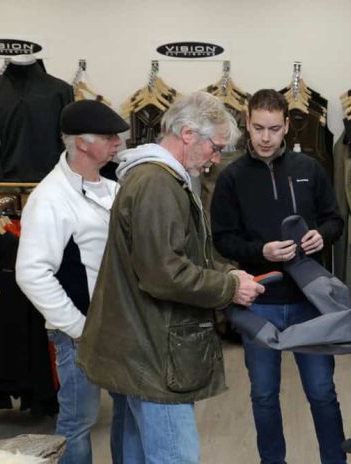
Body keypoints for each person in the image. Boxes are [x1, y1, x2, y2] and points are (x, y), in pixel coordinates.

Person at [76, 92, 265, 464]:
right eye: (216, 148)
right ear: (189, 134)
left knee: (137, 454)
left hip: (141, 348)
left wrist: (226, 272)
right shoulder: (157, 184)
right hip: (154, 355)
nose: (216, 160)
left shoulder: (157, 178)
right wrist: (229, 287)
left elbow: (174, 257)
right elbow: (163, 275)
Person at [211, 89, 347, 464]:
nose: (266, 137)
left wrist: (324, 235)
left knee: (322, 392)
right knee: (264, 395)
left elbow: (335, 219)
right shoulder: (231, 178)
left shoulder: (309, 170)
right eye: (258, 128)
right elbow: (222, 239)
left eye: (274, 128)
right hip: (259, 304)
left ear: (288, 125)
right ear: (247, 123)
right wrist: (261, 252)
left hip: (311, 303)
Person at [15, 99, 130, 464]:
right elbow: (31, 272)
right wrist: (78, 328)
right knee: (79, 421)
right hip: (79, 332)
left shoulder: (112, 186)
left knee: (127, 415)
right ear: (81, 142)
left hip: (120, 324)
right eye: (109, 137)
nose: (118, 142)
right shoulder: (49, 199)